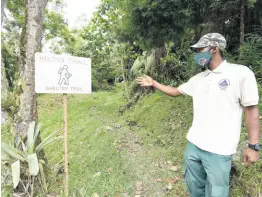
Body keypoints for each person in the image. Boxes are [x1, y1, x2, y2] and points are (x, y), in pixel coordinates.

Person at [136, 33, 260, 197]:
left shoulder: (240, 74)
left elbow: (251, 110)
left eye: (200, 49)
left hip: (219, 150)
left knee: (217, 192)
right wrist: (154, 83)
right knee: (195, 189)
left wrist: (253, 146)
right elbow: (175, 91)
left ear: (214, 49)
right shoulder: (198, 79)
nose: (197, 54)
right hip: (194, 146)